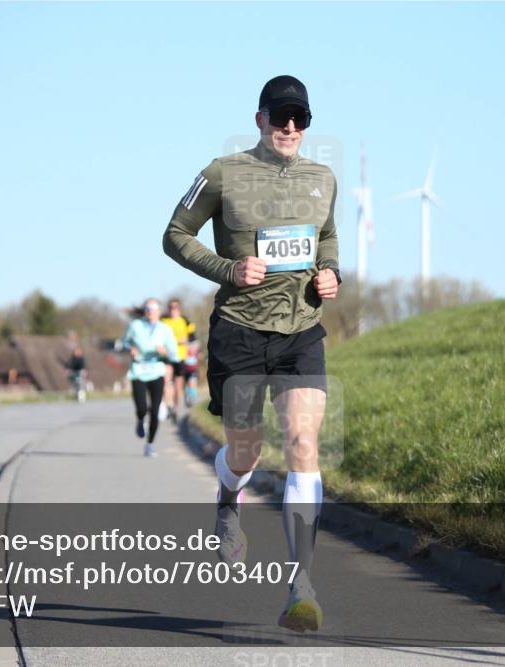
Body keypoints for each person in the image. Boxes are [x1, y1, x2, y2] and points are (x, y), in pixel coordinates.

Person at [163, 74, 340, 632]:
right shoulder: (223, 172)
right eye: (280, 116)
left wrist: (333, 272)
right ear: (259, 118)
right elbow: (175, 234)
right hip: (239, 330)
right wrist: (228, 270)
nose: (290, 127)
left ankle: (301, 585)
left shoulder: (322, 179)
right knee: (245, 452)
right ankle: (227, 493)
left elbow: (328, 237)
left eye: (300, 119)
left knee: (303, 442)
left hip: (301, 331)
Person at [121, 299, 180, 458]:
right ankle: (140, 420)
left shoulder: (165, 329)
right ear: (145, 310)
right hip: (138, 369)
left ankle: (150, 444)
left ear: (159, 311)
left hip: (156, 369)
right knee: (142, 407)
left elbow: (174, 353)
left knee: (154, 410)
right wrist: (131, 348)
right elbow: (124, 343)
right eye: (147, 308)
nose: (150, 311)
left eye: (153, 308)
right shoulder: (135, 325)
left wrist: (164, 352)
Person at [161, 299, 197, 422]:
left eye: (175, 307)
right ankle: (169, 405)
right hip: (166, 355)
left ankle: (176, 409)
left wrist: (184, 341)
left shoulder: (185, 321)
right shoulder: (163, 321)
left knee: (178, 385)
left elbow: (192, 338)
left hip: (181, 356)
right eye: (171, 307)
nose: (173, 310)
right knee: (166, 381)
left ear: (179, 309)